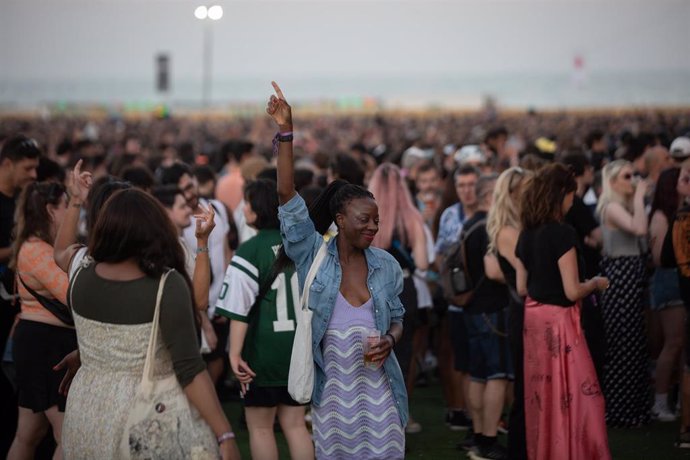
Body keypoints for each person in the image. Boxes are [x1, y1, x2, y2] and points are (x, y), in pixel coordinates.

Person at [269, 82, 407, 459]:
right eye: (365, 220)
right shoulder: (313, 255)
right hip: (332, 405)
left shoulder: (386, 266)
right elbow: (286, 195)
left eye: (377, 221)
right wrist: (286, 132)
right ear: (340, 219)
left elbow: (398, 318)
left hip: (383, 401)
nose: (373, 227)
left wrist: (390, 340)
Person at [56, 185, 240, 459]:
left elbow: (59, 251)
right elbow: (189, 368)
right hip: (147, 410)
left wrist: (87, 354)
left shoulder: (80, 273)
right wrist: (224, 434)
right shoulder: (167, 285)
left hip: (87, 408)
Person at [515, 163, 610, 460]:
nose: (574, 200)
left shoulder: (526, 234)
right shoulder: (563, 233)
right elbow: (572, 291)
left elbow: (521, 287)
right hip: (559, 322)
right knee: (580, 398)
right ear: (562, 195)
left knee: (543, 397)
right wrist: (594, 283)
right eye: (572, 194)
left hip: (533, 319)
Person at [216, 179, 313, 460]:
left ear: (257, 209)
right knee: (296, 425)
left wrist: (234, 353)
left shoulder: (249, 250)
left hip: (262, 351)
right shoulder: (302, 247)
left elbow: (238, 311)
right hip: (297, 349)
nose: (243, 207)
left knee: (260, 428)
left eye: (247, 202)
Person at [7, 182, 74, 460]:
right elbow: (73, 293)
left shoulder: (37, 246)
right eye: (67, 206)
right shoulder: (37, 250)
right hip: (46, 347)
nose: (72, 212)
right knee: (67, 436)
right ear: (50, 211)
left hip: (39, 344)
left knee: (29, 434)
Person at [368, 162, 428, 434]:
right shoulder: (412, 217)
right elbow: (423, 263)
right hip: (404, 287)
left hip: (371, 288)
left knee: (372, 354)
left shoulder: (366, 216)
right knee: (402, 356)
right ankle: (401, 417)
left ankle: (372, 416)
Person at [596, 159, 651, 427]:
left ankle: (635, 408)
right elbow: (640, 228)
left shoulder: (624, 206)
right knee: (623, 344)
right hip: (620, 281)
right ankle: (621, 411)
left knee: (634, 344)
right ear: (613, 182)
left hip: (631, 277)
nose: (633, 181)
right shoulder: (612, 207)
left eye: (634, 175)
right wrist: (641, 197)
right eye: (627, 177)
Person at [461, 173, 512, 460]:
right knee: (496, 375)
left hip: (472, 308)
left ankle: (480, 437)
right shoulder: (491, 226)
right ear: (490, 196)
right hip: (493, 309)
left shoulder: (469, 224)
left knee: (479, 375)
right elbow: (493, 271)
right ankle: (489, 441)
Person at [486, 166, 531, 460]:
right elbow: (525, 280)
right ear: (513, 194)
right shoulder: (508, 232)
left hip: (525, 311)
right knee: (525, 390)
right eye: (527, 188)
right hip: (523, 312)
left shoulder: (520, 228)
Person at [0, 135, 40, 457]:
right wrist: (21, 250)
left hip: (18, 313)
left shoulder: (21, 203)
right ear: (8, 164)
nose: (33, 175)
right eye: (28, 168)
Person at [648, 167, 685, 422]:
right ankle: (660, 403)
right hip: (670, 281)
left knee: (683, 347)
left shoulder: (683, 213)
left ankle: (683, 400)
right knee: (673, 344)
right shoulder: (661, 216)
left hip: (681, 279)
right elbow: (660, 258)